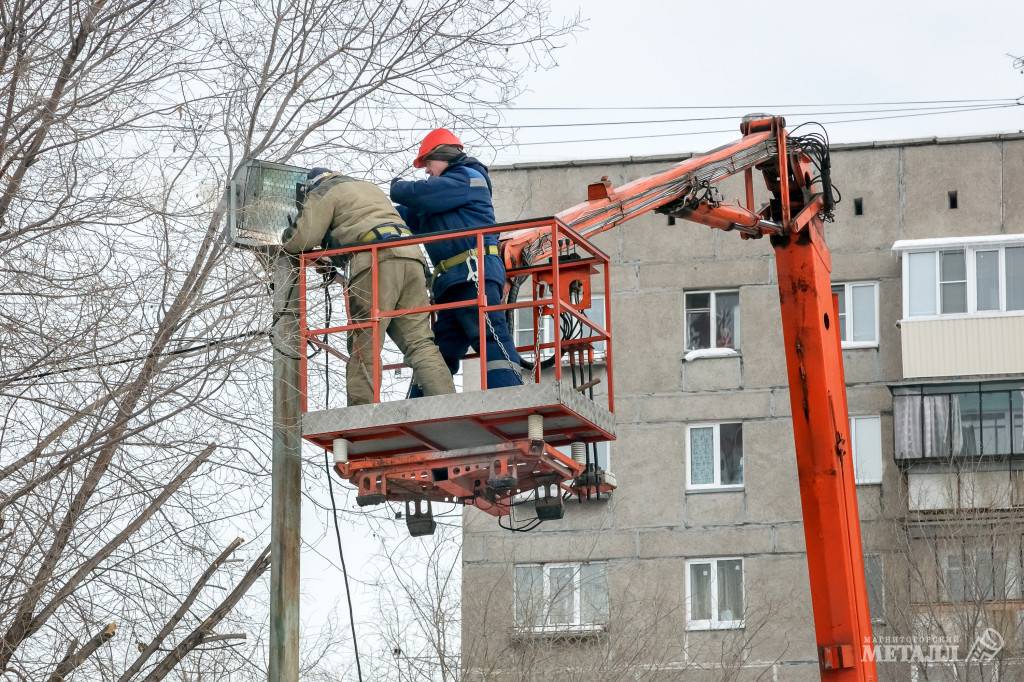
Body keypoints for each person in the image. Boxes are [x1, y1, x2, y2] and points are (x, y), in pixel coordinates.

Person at [282, 168, 454, 405]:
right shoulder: (368, 188)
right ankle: (446, 402)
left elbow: (302, 239)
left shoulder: (325, 190)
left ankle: (361, 408)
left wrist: (286, 235)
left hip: (376, 261)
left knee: (366, 339)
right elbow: (363, 225)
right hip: (412, 259)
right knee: (420, 341)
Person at [390, 129, 523, 394]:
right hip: (452, 282)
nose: (427, 171)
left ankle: (509, 395)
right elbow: (399, 218)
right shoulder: (437, 201)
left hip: (474, 273)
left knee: (488, 334)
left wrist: (396, 186)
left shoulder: (468, 178)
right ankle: (421, 403)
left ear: (443, 156)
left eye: (428, 163)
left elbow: (418, 195)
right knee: (443, 346)